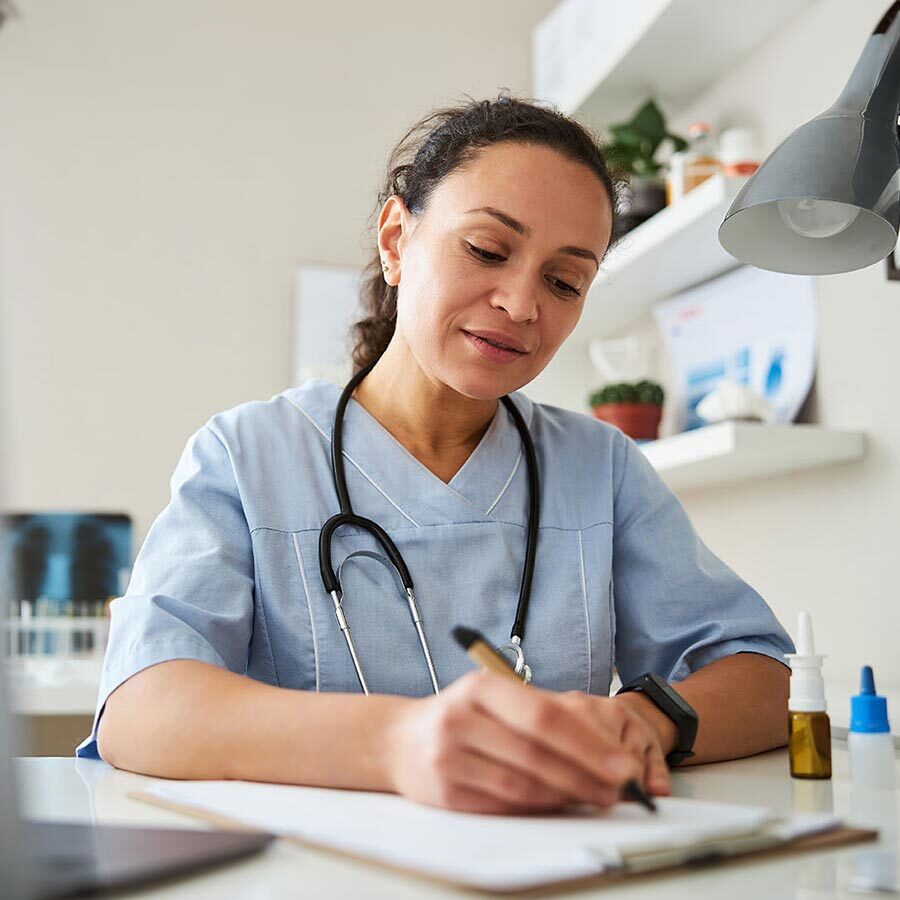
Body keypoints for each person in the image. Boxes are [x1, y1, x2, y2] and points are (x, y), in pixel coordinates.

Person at [78, 96, 793, 815]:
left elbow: (766, 678)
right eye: (487, 249)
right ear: (396, 240)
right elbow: (142, 708)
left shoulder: (599, 467)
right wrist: (395, 743)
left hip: (550, 861)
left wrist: (645, 720)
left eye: (564, 282)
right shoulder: (248, 456)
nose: (522, 304)